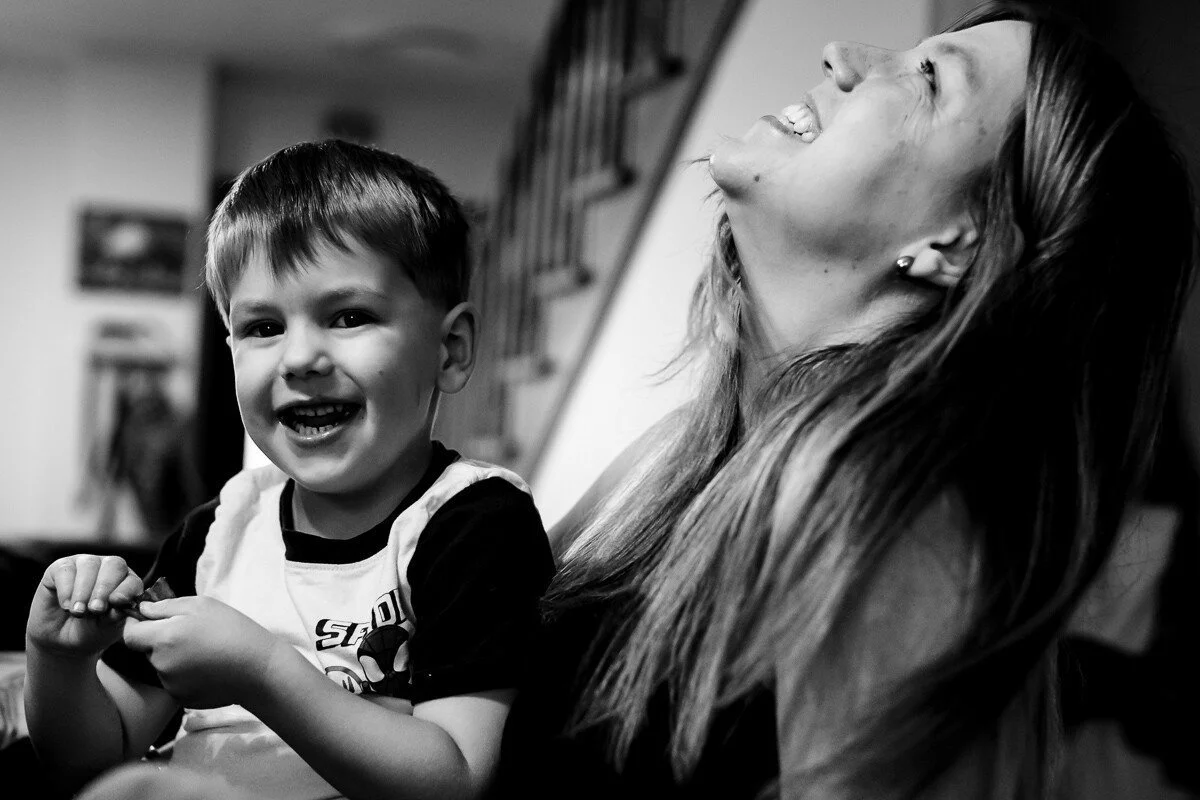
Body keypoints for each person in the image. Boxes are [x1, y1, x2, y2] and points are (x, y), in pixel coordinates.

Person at [489, 2, 1198, 799]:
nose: (842, 57)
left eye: (929, 78)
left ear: (954, 245)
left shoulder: (889, 527)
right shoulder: (674, 454)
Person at [24, 139, 555, 800]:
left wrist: (262, 670)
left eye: (350, 317)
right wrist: (59, 659)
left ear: (449, 350)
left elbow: (454, 778)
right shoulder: (219, 533)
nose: (300, 358)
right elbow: (95, 755)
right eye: (263, 327)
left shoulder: (473, 526)